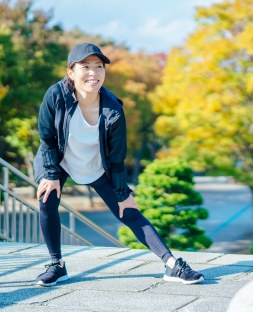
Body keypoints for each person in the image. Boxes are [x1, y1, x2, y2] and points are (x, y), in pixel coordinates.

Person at [33, 42, 205, 287]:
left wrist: (123, 193)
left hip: (96, 164)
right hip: (59, 161)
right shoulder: (55, 95)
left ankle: (172, 265)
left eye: (99, 67)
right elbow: (47, 136)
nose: (93, 73)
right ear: (71, 71)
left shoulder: (113, 109)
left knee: (128, 210)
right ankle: (56, 265)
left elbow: (116, 157)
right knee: (46, 198)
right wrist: (50, 174)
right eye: (85, 67)